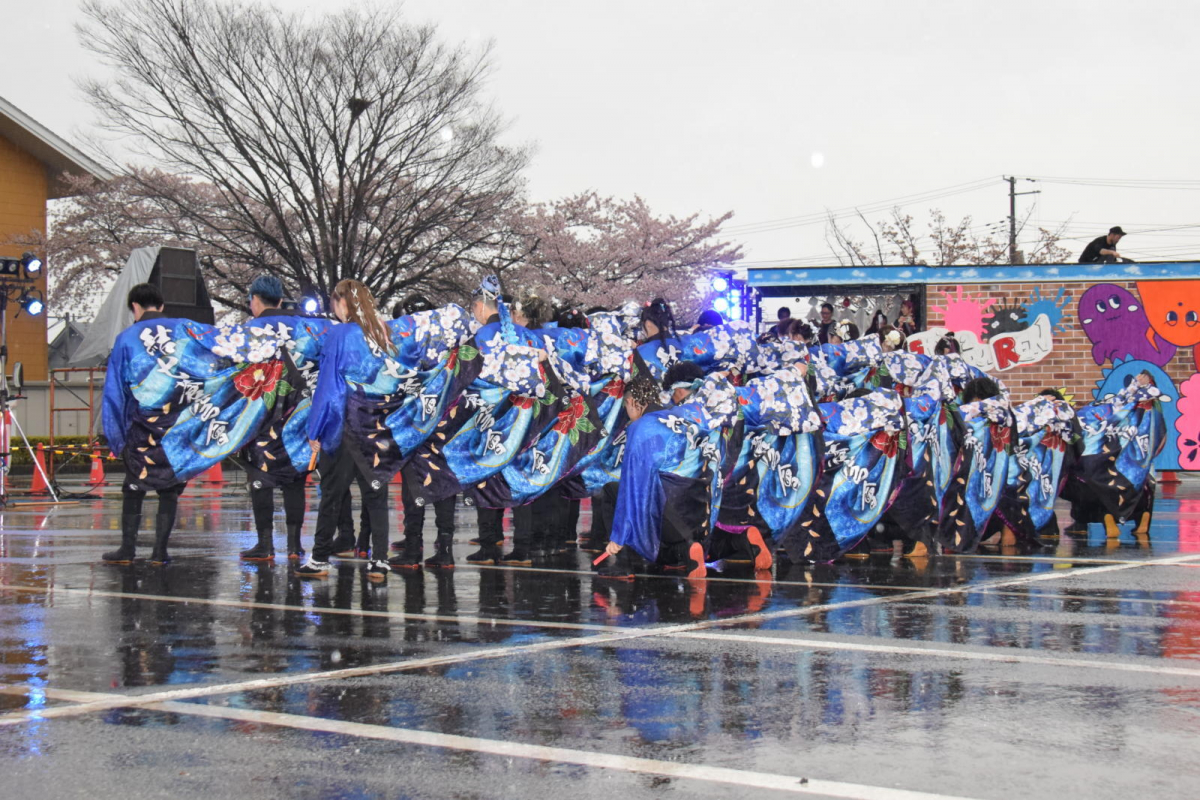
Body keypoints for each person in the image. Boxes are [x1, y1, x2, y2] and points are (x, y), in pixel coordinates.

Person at [297, 279, 396, 582]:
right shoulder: (383, 334)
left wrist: (315, 429)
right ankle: (379, 560)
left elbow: (328, 387)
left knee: (332, 495)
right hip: (376, 426)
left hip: (344, 425)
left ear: (342, 302)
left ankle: (319, 557)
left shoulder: (339, 334)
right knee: (375, 495)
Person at [101, 283, 188, 565]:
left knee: (134, 486)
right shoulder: (186, 330)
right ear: (161, 306)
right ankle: (160, 552)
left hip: (140, 424)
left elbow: (115, 392)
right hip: (176, 424)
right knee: (169, 487)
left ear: (135, 308)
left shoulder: (126, 339)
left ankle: (127, 549)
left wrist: (115, 437)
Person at [238, 275, 310, 561]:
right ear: (281, 299)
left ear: (255, 300)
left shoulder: (249, 331)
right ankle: (295, 545)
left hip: (262, 417)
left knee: (260, 477)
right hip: (298, 415)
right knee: (295, 480)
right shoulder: (303, 327)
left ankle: (265, 543)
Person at [387, 293, 460, 570]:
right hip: (446, 420)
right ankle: (444, 547)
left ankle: (414, 545)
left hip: (415, 423)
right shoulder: (450, 344)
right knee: (443, 483)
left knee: (413, 483)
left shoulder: (404, 348)